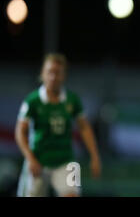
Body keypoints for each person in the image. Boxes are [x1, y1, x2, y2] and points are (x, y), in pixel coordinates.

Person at [15, 53, 101, 197]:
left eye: (58, 73)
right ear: (42, 73)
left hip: (66, 160)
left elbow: (84, 127)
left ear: (64, 75)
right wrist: (30, 158)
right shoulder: (33, 101)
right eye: (50, 72)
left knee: (72, 194)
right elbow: (20, 131)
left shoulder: (72, 100)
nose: (53, 77)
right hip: (38, 161)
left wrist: (94, 155)